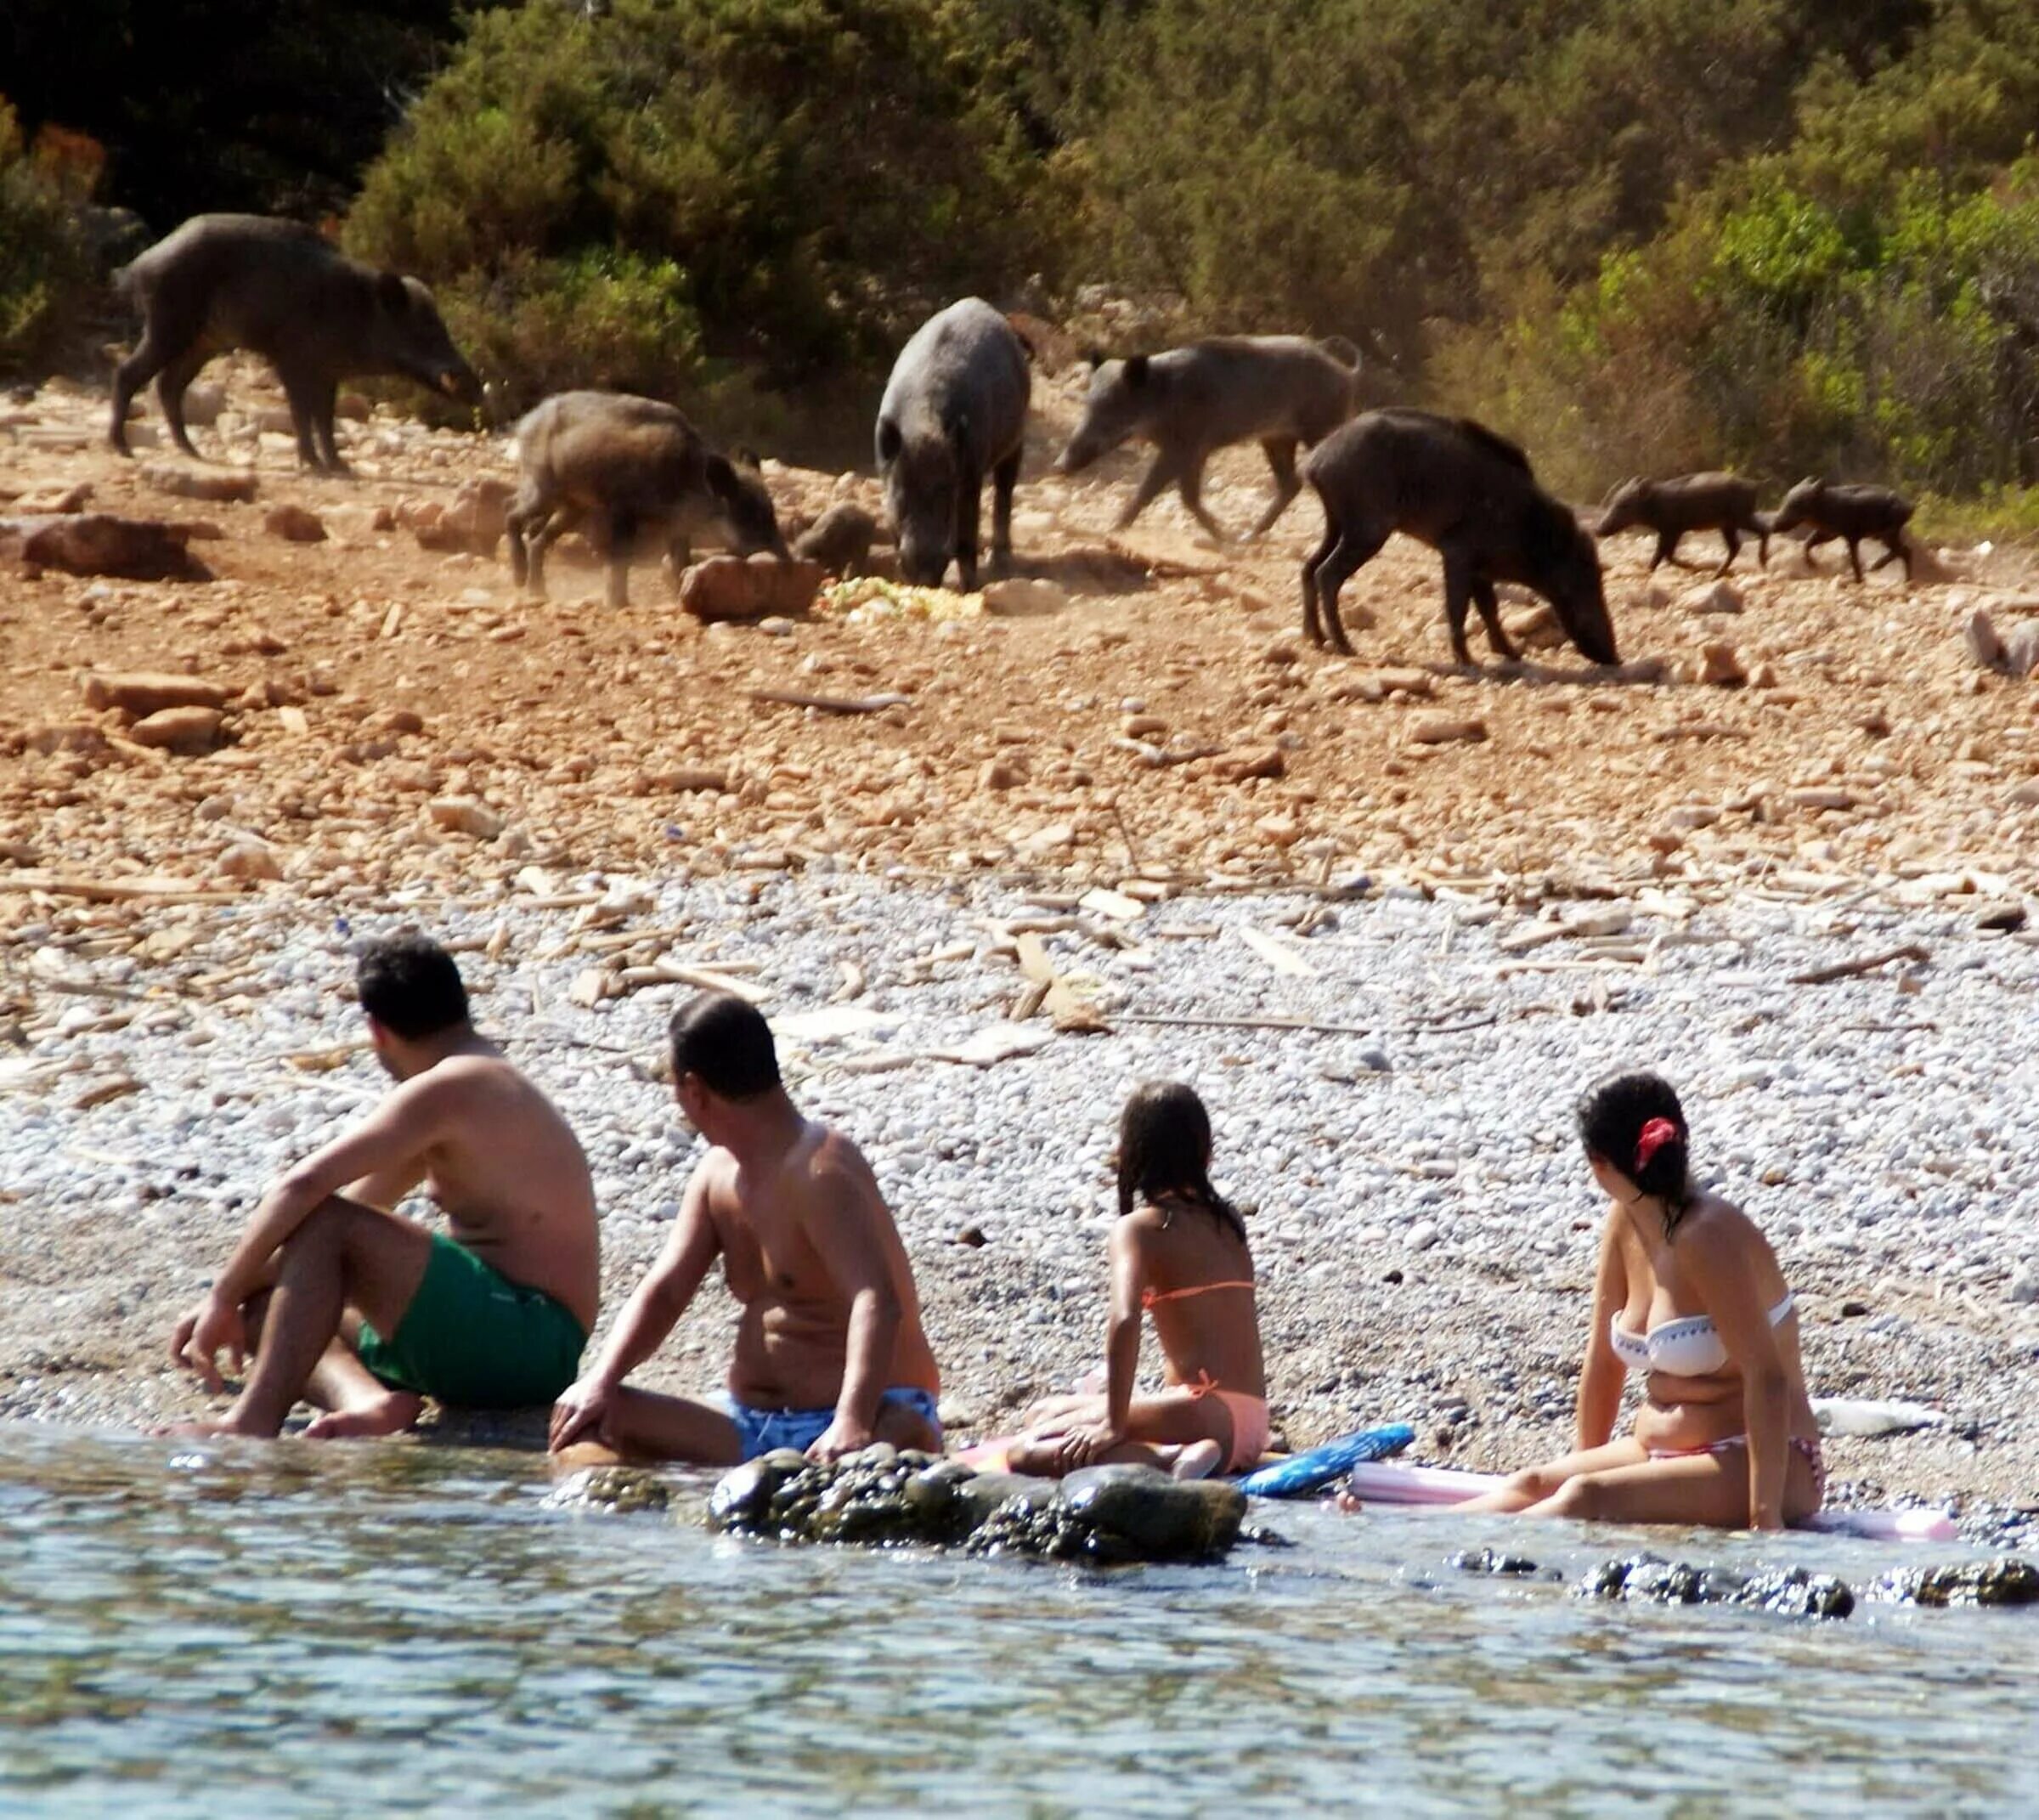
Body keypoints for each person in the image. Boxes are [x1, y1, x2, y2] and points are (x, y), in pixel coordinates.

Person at [167, 934, 599, 1438]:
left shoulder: (455, 1085)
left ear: (377, 1030)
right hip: (499, 1345)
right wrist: (239, 1296)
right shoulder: (470, 1094)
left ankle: (251, 1423)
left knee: (326, 1220)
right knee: (268, 1309)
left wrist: (220, 1294)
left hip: (530, 1339)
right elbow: (338, 1223)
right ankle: (368, 1402)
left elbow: (305, 1188)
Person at [548, 992, 941, 1465]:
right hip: (748, 1421)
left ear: (694, 1090)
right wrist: (600, 1380)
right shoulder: (717, 1174)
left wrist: (851, 1420)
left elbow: (875, 1298)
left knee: (890, 1434)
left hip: (861, 1417)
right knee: (588, 1418)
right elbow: (667, 1289)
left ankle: (894, 1447)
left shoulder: (820, 1170)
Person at [1453, 1071, 1822, 1530]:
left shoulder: (1708, 1236)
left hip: (1767, 1460)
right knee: (1532, 1483)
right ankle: (1401, 1537)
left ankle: (1437, 1564)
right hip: (1655, 1448)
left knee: (1586, 1497)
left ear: (1599, 1165)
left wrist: (1764, 1518)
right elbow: (1604, 1363)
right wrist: (1585, 1462)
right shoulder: (1626, 1222)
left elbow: (1766, 1378)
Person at [1009, 1081, 1268, 1480]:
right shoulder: (1227, 1221)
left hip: (1209, 1415)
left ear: (1131, 1154)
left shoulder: (1140, 1230)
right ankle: (1183, 1452)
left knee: (1025, 1450)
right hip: (1251, 1419)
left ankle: (1168, 1462)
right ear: (1204, 1152)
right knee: (1043, 1412)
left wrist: (1113, 1424)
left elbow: (1125, 1318)